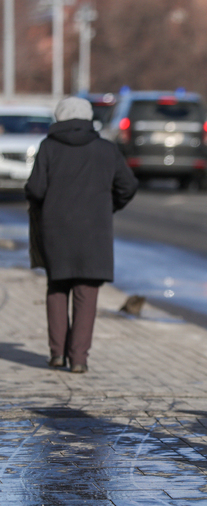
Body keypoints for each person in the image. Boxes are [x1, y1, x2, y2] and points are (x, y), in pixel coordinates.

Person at [25, 96, 139, 373]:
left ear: (59, 117)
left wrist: (49, 205)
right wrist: (108, 206)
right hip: (94, 232)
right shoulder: (106, 149)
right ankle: (78, 359)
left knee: (57, 287)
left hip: (55, 229)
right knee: (86, 293)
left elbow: (36, 189)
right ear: (88, 118)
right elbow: (128, 185)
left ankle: (56, 354)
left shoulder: (48, 147)